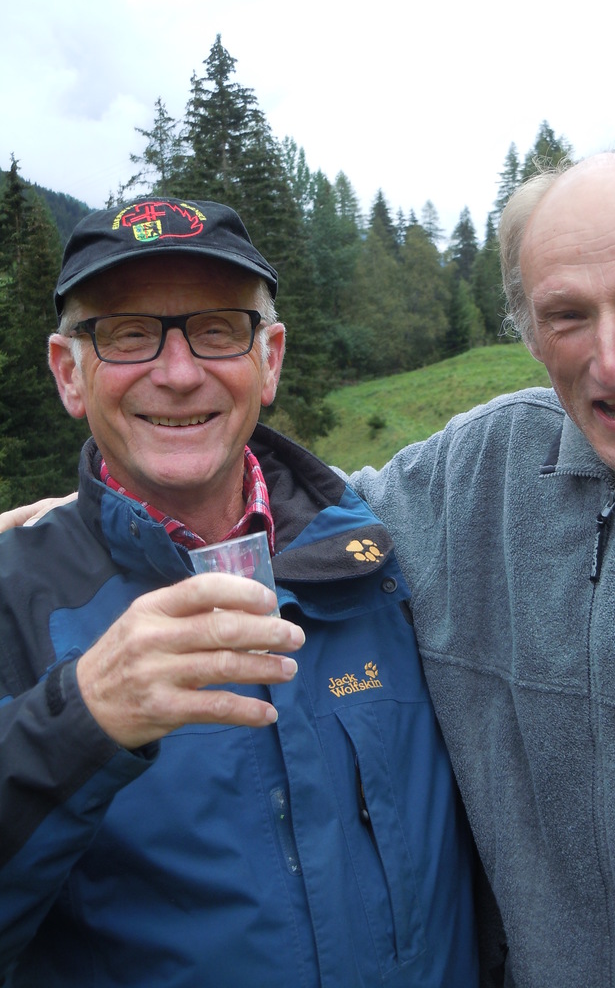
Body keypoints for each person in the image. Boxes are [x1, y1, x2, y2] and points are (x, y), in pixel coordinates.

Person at [0, 198, 481, 987]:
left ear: (270, 359)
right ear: (68, 373)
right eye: (127, 334)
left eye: (218, 329)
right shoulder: (12, 599)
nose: (179, 372)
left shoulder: (388, 552)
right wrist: (77, 720)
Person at [350, 148, 615, 986]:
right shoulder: (477, 472)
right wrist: (91, 517)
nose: (612, 361)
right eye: (568, 315)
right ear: (529, 331)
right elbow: (285, 517)